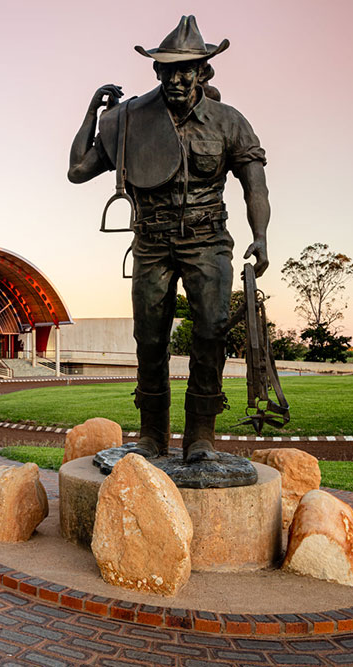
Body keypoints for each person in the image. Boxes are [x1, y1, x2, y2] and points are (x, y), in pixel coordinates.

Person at [68, 15, 270, 464]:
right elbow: (78, 170)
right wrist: (93, 113)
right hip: (152, 243)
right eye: (168, 70)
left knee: (211, 333)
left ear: (202, 71)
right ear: (157, 70)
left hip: (208, 240)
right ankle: (152, 435)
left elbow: (255, 184)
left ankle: (201, 436)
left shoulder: (228, 122)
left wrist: (261, 235)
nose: (177, 79)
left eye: (186, 70)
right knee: (150, 339)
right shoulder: (129, 120)